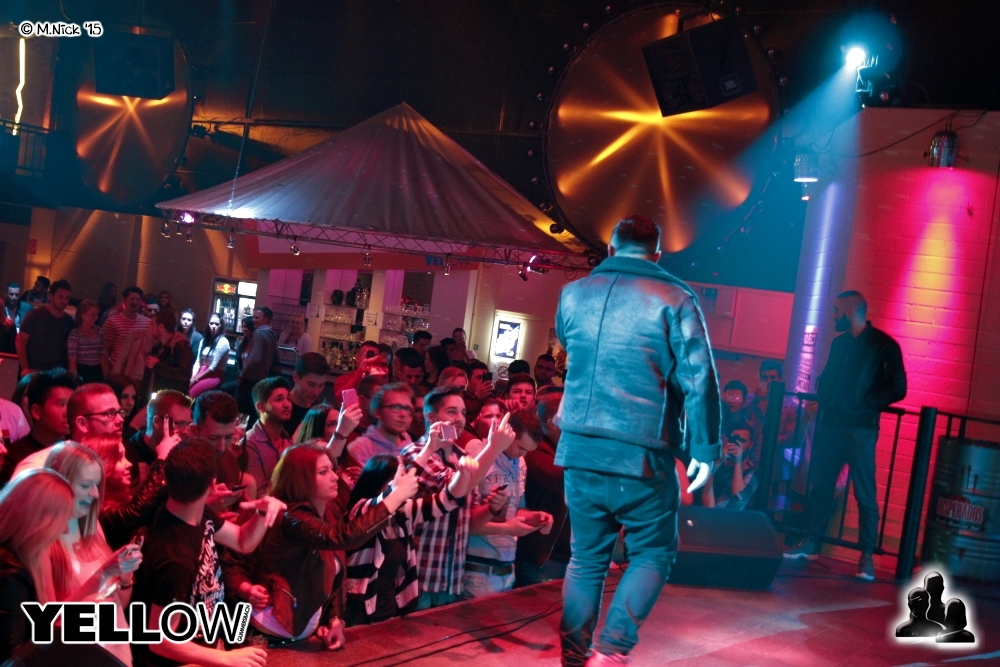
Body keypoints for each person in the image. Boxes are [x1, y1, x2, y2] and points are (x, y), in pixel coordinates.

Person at [555, 214, 721, 667]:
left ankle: (574, 657)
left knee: (585, 559)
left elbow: (572, 347)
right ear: (657, 255)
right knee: (653, 553)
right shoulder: (675, 298)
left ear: (610, 250)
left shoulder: (572, 294)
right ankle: (611, 650)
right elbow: (699, 379)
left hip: (580, 449)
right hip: (640, 453)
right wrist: (705, 449)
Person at [222, 444, 417, 649]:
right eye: (323, 472)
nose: (334, 477)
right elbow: (344, 538)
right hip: (265, 635)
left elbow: (332, 570)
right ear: (300, 479)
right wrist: (396, 496)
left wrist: (335, 620)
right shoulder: (291, 516)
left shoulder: (329, 510)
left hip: (303, 635)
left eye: (332, 469)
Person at [784, 290, 907, 582]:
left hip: (859, 427)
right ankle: (813, 543)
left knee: (863, 492)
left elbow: (898, 387)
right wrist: (827, 397)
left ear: (850, 311)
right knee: (822, 486)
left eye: (837, 310)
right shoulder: (841, 343)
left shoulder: (882, 345)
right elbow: (828, 377)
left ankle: (865, 555)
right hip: (835, 424)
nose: (834, 316)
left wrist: (862, 403)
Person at [130, 437, 285, 667]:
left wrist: (263, 513)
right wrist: (226, 658)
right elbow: (160, 640)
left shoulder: (193, 512)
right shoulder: (176, 558)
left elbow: (242, 541)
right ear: (213, 484)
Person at [399, 385, 520, 609]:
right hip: (420, 579)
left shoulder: (463, 456)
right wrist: (493, 448)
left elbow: (470, 520)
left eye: (463, 413)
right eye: (452, 411)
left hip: (453, 578)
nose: (460, 418)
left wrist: (492, 508)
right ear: (432, 417)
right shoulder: (415, 453)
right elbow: (453, 491)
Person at [345, 450, 478, 625]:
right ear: (379, 483)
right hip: (358, 611)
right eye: (399, 481)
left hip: (389, 609)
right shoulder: (361, 510)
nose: (408, 488)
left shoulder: (402, 513)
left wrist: (463, 475)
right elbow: (384, 502)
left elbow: (446, 501)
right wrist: (428, 449)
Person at [45, 443, 143, 667]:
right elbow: (51, 622)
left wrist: (125, 575)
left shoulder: (93, 526)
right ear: (59, 484)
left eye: (97, 485)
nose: (95, 494)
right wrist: (103, 573)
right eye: (86, 485)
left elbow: (118, 605)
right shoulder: (46, 543)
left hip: (117, 655)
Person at [463, 409, 551, 599]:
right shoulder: (477, 458)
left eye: (527, 451)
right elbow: (463, 522)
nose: (523, 454)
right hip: (477, 569)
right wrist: (507, 529)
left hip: (506, 568)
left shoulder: (520, 462)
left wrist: (534, 517)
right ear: (508, 433)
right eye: (521, 448)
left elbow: (516, 509)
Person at [0, 469, 75, 662]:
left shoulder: (18, 559)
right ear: (40, 520)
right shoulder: (10, 574)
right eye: (64, 520)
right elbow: (12, 659)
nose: (66, 529)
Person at [516, 391, 572, 586]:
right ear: (552, 423)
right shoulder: (534, 449)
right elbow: (561, 479)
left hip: (565, 556)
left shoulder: (561, 448)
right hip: (542, 558)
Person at [0, 369, 78, 484]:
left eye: (71, 405)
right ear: (36, 411)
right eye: (61, 404)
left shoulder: (76, 452)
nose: (68, 412)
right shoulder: (15, 458)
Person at [191, 391, 253, 510]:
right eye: (213, 438)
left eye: (229, 437)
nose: (222, 447)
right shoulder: (180, 466)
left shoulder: (229, 459)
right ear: (194, 431)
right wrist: (206, 508)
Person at [124, 390, 192, 489]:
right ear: (157, 422)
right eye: (179, 423)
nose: (186, 432)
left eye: (188, 424)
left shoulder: (183, 452)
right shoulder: (128, 457)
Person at [244, 376, 293, 497]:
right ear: (261, 407)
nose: (287, 404)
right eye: (279, 399)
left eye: (288, 398)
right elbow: (259, 493)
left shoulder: (287, 440)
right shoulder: (250, 442)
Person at [346, 383, 414, 467]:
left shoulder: (412, 447)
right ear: (377, 412)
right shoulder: (360, 448)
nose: (403, 414)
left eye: (408, 408)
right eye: (395, 407)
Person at [16, 279, 74, 375]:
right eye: (60, 297)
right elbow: (20, 341)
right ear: (51, 296)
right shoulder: (36, 315)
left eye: (67, 298)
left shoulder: (68, 321)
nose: (64, 301)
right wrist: (25, 368)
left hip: (57, 371)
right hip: (35, 369)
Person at [235, 307, 279, 417]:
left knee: (241, 411)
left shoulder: (259, 334)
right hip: (262, 380)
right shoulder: (271, 334)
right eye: (253, 317)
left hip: (250, 380)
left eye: (257, 317)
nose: (254, 320)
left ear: (266, 319)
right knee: (253, 412)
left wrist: (242, 375)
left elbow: (254, 359)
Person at [146, 310, 195, 395]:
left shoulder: (181, 345)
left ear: (161, 327)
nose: (149, 327)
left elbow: (185, 374)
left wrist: (157, 366)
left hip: (174, 397)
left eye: (152, 324)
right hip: (163, 394)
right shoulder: (159, 345)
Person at [103, 286, 150, 372]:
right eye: (132, 299)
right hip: (117, 370)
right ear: (124, 300)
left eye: (137, 299)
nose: (134, 302)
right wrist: (106, 373)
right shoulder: (112, 322)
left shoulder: (147, 323)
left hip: (138, 371)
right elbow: (105, 350)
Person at [287, 352, 330, 436]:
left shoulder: (320, 412)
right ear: (295, 377)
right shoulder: (282, 408)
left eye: (321, 385)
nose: (316, 392)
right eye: (311, 385)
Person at [190, 313, 231, 398]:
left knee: (191, 394)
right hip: (201, 371)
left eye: (217, 324)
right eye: (211, 323)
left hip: (214, 374)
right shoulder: (203, 341)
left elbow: (213, 367)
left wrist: (195, 379)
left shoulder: (223, 341)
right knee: (185, 389)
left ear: (220, 326)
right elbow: (198, 362)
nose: (213, 326)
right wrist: (192, 377)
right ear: (208, 324)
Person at [68, 299, 106, 383]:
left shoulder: (100, 332)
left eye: (97, 315)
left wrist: (106, 376)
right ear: (82, 314)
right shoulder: (75, 334)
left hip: (97, 370)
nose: (96, 318)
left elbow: (102, 356)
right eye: (93, 315)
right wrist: (75, 380)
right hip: (82, 371)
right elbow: (72, 360)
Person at [105, 374, 139, 441]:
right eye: (124, 397)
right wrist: (134, 425)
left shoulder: (130, 420)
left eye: (133, 397)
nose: (130, 403)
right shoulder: (104, 425)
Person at [1, 283, 31, 354]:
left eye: (17, 295)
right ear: (5, 294)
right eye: (11, 294)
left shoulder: (27, 308)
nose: (14, 297)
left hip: (22, 342)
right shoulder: (1, 307)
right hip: (6, 342)